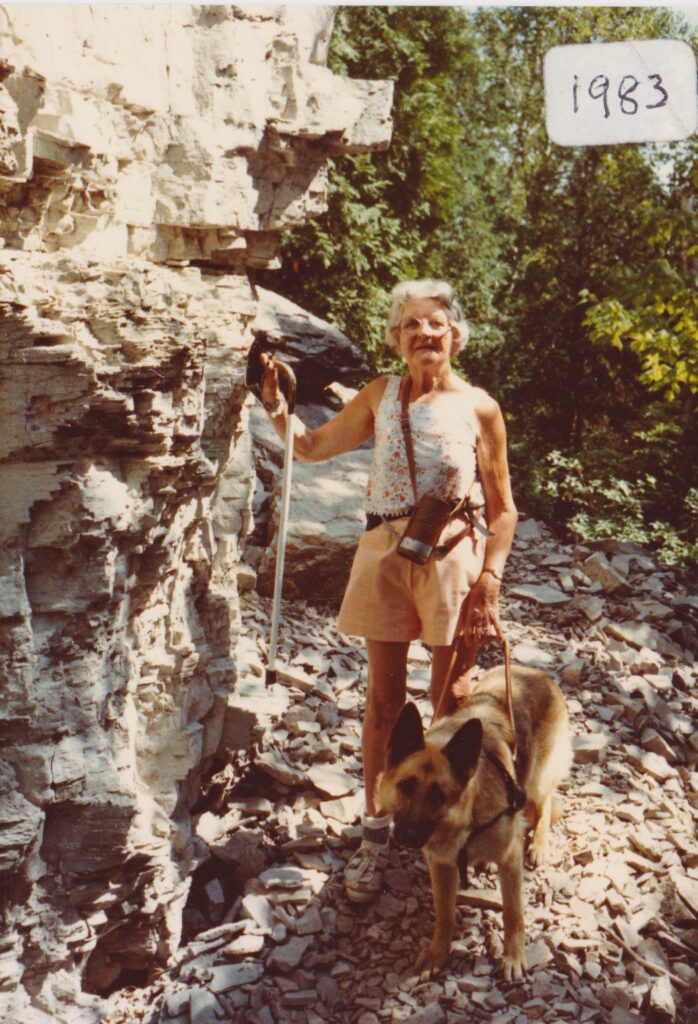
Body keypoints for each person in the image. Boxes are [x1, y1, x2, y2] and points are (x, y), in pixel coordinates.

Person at [257, 279, 518, 903]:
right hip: (383, 554)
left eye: (437, 325)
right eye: (413, 327)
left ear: (455, 335)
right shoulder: (381, 394)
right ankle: (377, 834)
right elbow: (314, 447)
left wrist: (490, 580)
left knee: (452, 700)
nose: (426, 335)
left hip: (454, 558)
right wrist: (275, 408)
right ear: (396, 338)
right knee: (383, 701)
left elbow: (504, 511)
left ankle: (453, 825)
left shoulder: (480, 407)